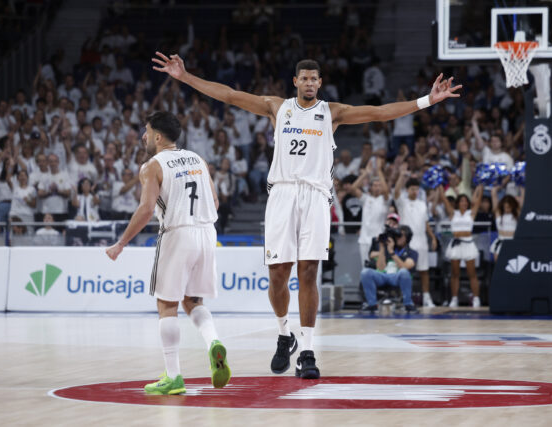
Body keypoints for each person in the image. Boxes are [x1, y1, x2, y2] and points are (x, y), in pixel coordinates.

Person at [152, 52, 460, 379]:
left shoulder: (332, 112)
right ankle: (285, 333)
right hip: (282, 193)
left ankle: (308, 350)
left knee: (309, 271)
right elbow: (229, 94)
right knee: (277, 275)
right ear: (296, 81)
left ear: (320, 83)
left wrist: (428, 99)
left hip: (315, 195)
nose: (310, 83)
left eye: (315, 79)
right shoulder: (276, 107)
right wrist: (185, 77)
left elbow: (381, 113)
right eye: (305, 78)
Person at [105, 112, 231, 395]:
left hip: (178, 233)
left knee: (167, 305)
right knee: (193, 300)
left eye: (147, 131)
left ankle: (173, 376)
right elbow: (215, 201)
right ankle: (213, 342)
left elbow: (146, 209)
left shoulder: (152, 166)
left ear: (158, 137)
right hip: (207, 234)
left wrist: (121, 243)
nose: (143, 136)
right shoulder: (198, 160)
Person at [394, 164, 438, 307]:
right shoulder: (402, 203)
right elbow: (395, 193)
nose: (415, 191)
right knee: (405, 271)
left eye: (417, 189)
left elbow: (425, 223)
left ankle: (426, 297)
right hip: (407, 243)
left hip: (422, 241)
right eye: (412, 189)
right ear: (407, 190)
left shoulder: (422, 204)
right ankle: (405, 297)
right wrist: (401, 175)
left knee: (424, 270)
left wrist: (432, 237)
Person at [439, 184, 484, 308]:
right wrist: (440, 187)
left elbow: (478, 201)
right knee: (454, 273)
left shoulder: (471, 213)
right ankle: (454, 299)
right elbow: (444, 199)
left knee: (472, 273)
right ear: (458, 203)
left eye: (465, 201)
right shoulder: (453, 213)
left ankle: (476, 298)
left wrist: (481, 188)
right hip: (456, 245)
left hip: (468, 244)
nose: (463, 203)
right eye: (461, 201)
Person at [360, 225, 418, 313]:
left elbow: (405, 267)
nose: (398, 238)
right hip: (383, 275)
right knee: (366, 272)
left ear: (407, 238)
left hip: (397, 277)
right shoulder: (387, 248)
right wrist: (382, 247)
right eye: (397, 235)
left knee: (404, 272)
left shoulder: (412, 253)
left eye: (401, 236)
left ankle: (408, 304)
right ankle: (372, 304)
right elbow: (380, 268)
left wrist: (392, 252)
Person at [348, 158, 390, 267]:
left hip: (378, 239)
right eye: (375, 185)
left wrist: (379, 171)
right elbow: (353, 188)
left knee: (378, 267)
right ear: (370, 187)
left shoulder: (385, 200)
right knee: (365, 267)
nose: (377, 187)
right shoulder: (366, 199)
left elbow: (386, 191)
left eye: (379, 185)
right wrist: (365, 174)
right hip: (364, 239)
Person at [490, 185, 523, 261]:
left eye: (509, 207)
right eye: (505, 207)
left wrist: (520, 186)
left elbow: (522, 200)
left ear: (513, 206)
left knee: (513, 265)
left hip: (513, 242)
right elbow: (493, 193)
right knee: (498, 266)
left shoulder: (517, 214)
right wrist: (499, 186)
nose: (507, 209)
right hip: (501, 241)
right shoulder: (498, 213)